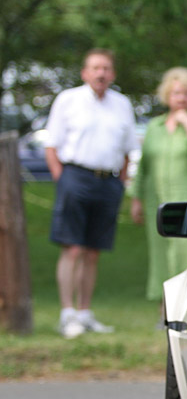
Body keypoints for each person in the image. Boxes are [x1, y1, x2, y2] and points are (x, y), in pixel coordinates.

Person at [46, 48, 137, 339]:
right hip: (75, 176)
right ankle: (67, 313)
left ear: (113, 74)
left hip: (108, 181)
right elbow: (52, 146)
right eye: (96, 68)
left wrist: (120, 182)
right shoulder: (68, 100)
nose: (101, 73)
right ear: (85, 73)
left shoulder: (122, 104)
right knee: (72, 247)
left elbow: (127, 149)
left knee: (93, 251)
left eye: (106, 68)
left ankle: (85, 312)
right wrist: (63, 181)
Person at [129, 67, 187, 302]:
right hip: (158, 200)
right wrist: (136, 198)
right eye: (177, 93)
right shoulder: (154, 127)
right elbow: (144, 164)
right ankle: (164, 307)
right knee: (161, 255)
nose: (182, 98)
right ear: (167, 95)